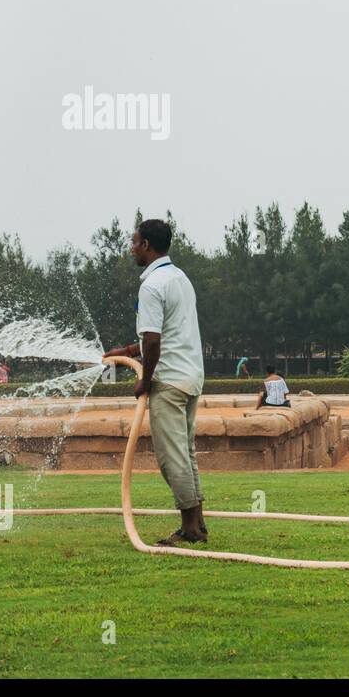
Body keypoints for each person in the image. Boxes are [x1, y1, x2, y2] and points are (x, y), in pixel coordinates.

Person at [103, 219, 208, 547]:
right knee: (186, 453)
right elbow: (167, 331)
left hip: (169, 379)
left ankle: (189, 528)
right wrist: (127, 350)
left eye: (134, 242)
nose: (132, 248)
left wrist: (144, 381)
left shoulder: (151, 285)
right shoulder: (180, 278)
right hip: (190, 376)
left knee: (171, 457)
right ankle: (199, 524)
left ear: (147, 245)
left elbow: (153, 340)